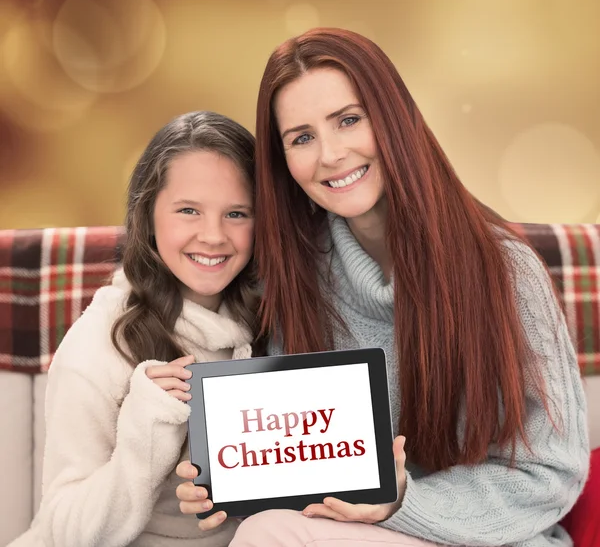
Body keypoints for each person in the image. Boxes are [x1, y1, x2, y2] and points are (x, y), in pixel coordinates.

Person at [175, 28, 590, 547]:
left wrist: (401, 503)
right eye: (301, 138)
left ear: (394, 118)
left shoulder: (505, 271)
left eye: (348, 120)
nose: (330, 154)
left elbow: (551, 474)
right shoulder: (290, 278)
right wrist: (225, 479)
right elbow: (300, 470)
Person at [9, 111, 259, 547]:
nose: (214, 235)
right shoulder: (102, 340)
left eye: (236, 213)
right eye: (188, 211)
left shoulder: (274, 321)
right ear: (148, 215)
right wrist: (146, 434)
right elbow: (64, 531)